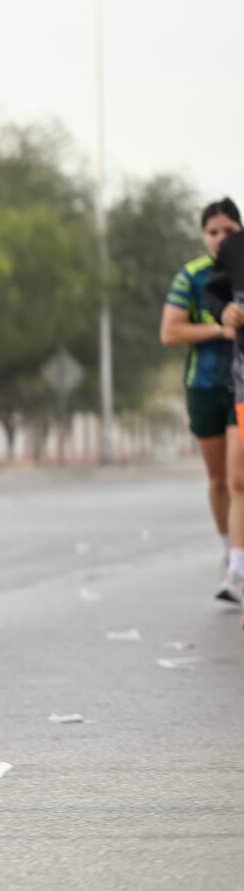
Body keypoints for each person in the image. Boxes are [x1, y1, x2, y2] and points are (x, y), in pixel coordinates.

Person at [160, 198, 242, 600]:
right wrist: (217, 329)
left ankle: (238, 571)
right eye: (213, 231)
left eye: (229, 230)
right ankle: (228, 550)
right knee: (218, 480)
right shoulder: (191, 276)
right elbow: (170, 332)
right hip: (204, 385)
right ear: (203, 236)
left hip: (240, 386)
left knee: (239, 478)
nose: (221, 238)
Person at [201, 227, 244, 625]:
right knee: (235, 481)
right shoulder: (235, 249)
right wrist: (224, 312)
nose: (218, 237)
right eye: (210, 230)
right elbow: (213, 295)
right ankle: (237, 569)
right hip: (239, 385)